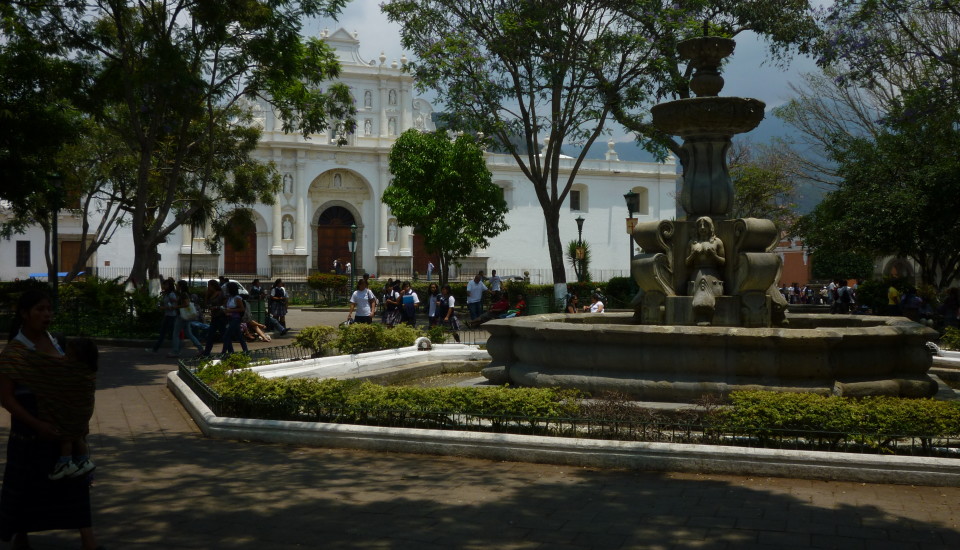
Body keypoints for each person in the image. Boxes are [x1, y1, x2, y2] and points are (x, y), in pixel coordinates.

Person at [0, 290, 103, 550]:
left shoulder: (59, 342)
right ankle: (21, 540)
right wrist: (37, 425)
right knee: (25, 490)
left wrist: (77, 417)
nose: (47, 315)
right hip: (29, 432)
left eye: (49, 309)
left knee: (75, 487)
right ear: (24, 314)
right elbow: (6, 398)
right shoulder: (14, 352)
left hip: (64, 430)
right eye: (40, 310)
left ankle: (88, 541)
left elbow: (77, 379)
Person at [46, 338, 99, 481]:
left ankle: (65, 463)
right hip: (84, 410)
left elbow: (58, 378)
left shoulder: (72, 371)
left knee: (66, 438)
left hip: (71, 411)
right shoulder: (89, 369)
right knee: (78, 436)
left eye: (69, 354)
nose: (65, 357)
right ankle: (83, 460)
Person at [147, 278, 179, 356]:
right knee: (166, 333)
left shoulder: (171, 294)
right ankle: (156, 349)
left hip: (171, 316)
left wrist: (163, 308)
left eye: (165, 285)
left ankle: (175, 350)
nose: (163, 286)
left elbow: (174, 306)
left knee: (168, 333)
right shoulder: (166, 294)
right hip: (168, 315)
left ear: (169, 286)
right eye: (163, 284)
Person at [199, 280, 227, 357]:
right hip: (214, 316)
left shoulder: (221, 293)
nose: (208, 287)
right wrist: (206, 295)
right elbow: (206, 304)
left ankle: (225, 351)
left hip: (221, 316)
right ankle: (207, 352)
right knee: (210, 335)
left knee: (223, 335)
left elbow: (225, 304)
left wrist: (217, 307)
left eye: (209, 285)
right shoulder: (211, 294)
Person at [222, 281, 249, 355]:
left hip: (236, 319)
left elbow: (242, 309)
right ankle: (244, 351)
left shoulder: (237, 298)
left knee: (226, 336)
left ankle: (224, 353)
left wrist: (231, 310)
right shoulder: (229, 298)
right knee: (239, 336)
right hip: (230, 318)